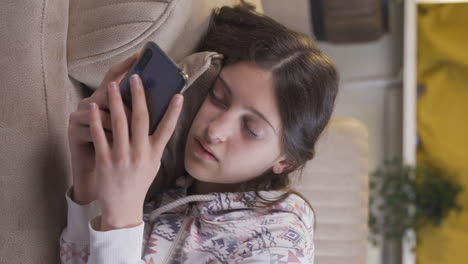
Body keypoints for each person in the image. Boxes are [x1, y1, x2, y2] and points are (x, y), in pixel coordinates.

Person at [60, 3, 338, 263]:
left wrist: (124, 218)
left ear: (286, 161)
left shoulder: (278, 245)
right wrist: (88, 185)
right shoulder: (174, 188)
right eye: (218, 97)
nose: (216, 129)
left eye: (251, 129)